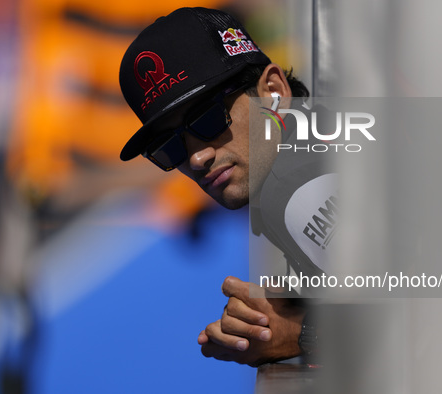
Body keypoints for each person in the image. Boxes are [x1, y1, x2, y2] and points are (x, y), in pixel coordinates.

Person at [118, 7, 324, 366]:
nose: (196, 159)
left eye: (208, 119)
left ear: (273, 92)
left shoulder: (299, 192)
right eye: (170, 146)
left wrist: (302, 332)